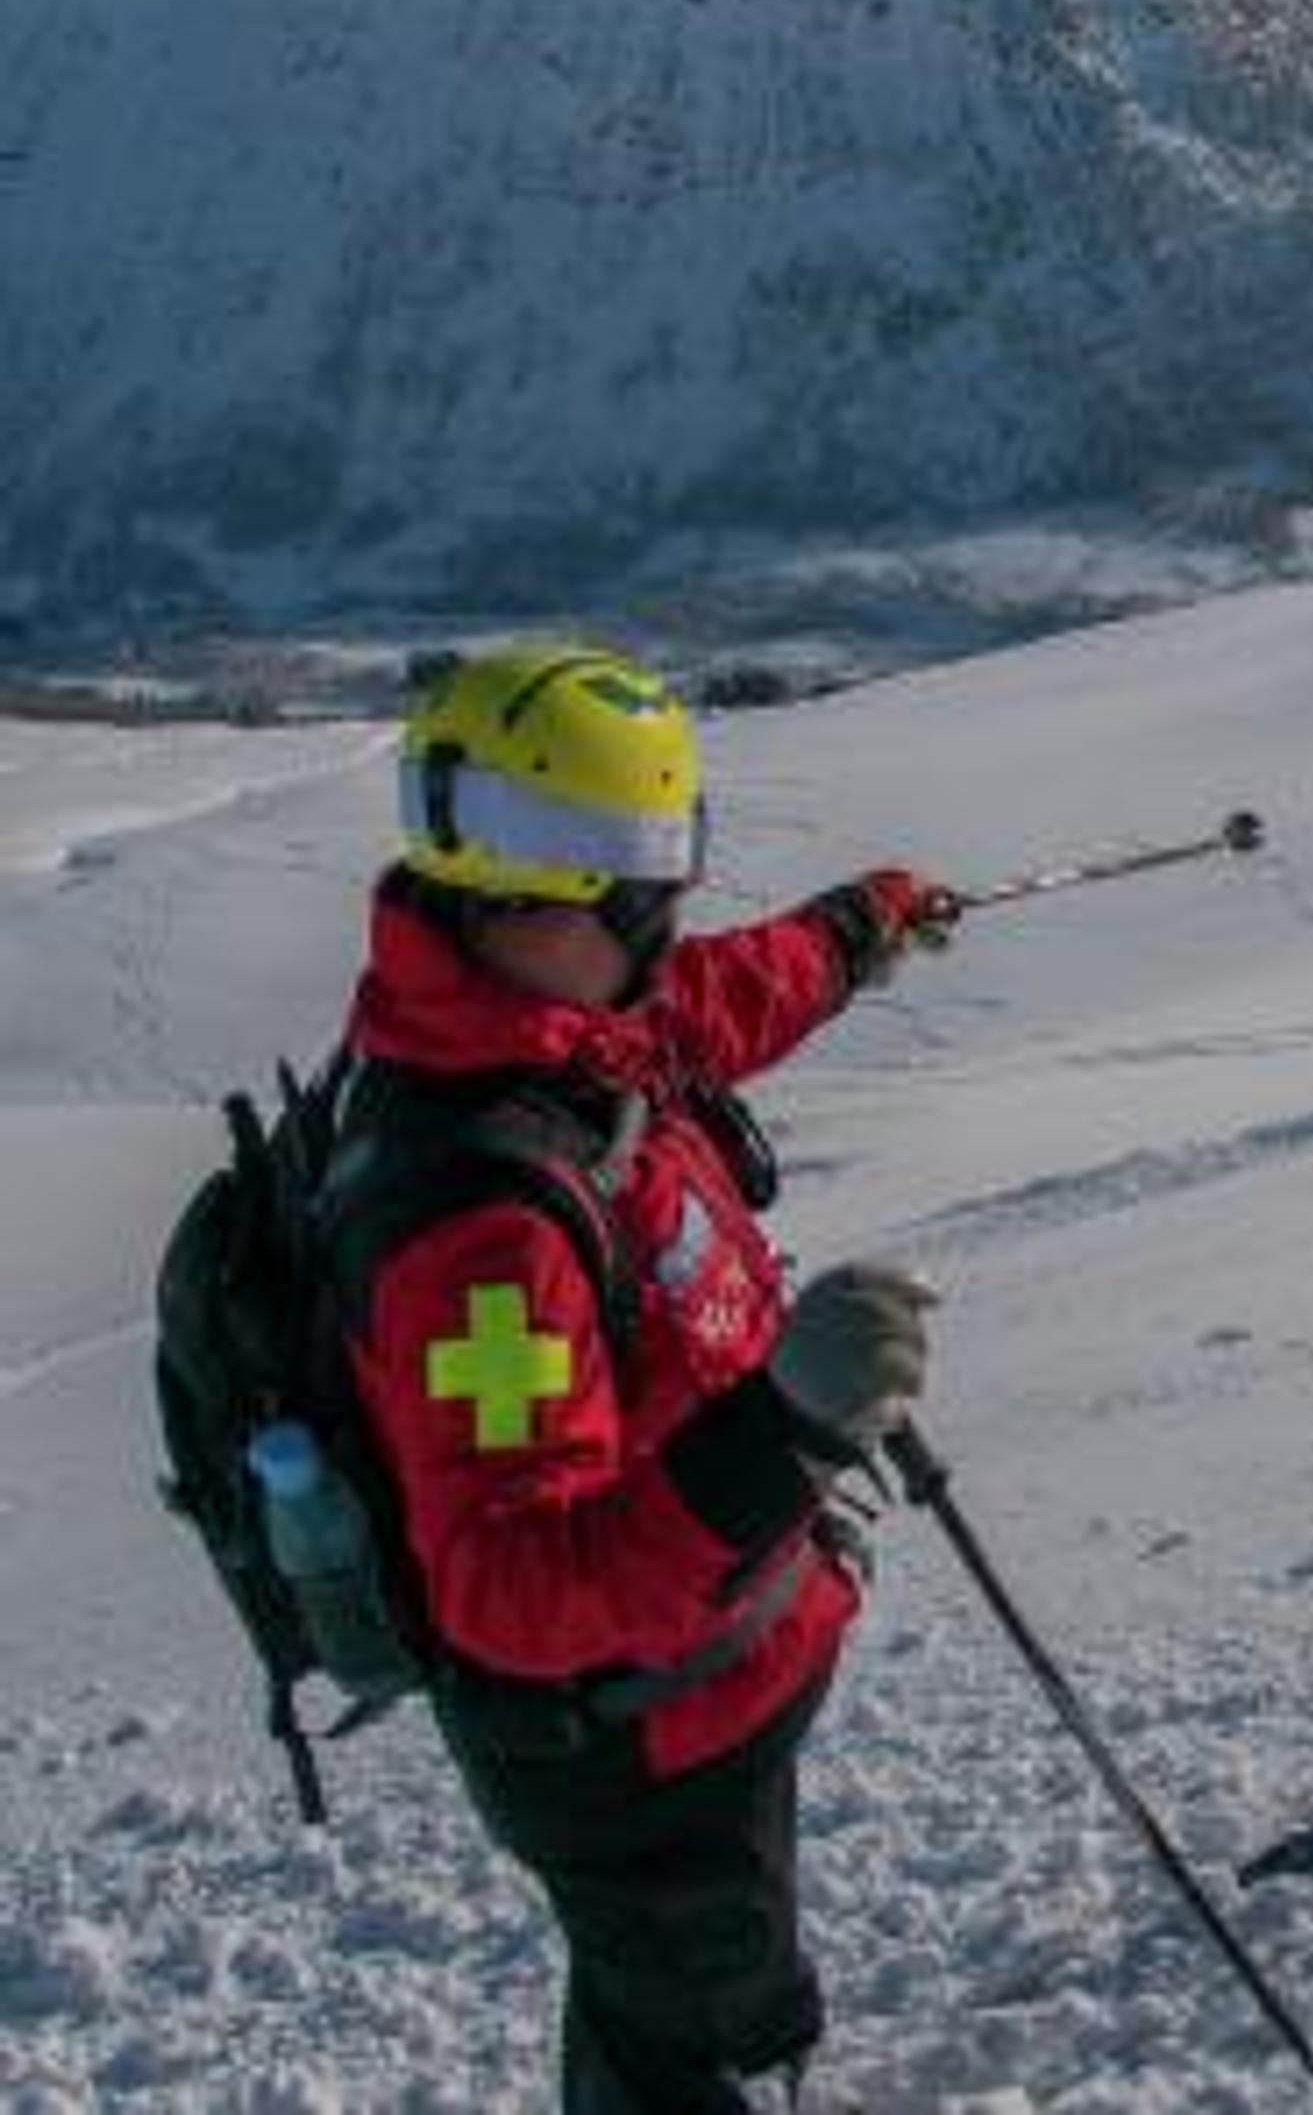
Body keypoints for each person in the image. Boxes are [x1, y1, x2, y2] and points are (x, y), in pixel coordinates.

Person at [334, 641, 953, 2109]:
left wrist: (853, 933)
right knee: (702, 2045)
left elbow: (708, 1010)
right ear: (542, 891)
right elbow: (516, 1584)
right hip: (639, 1755)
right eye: (646, 876)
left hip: (698, 1684)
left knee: (660, 2028)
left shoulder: (547, 1030)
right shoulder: (482, 1227)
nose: (669, 918)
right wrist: (784, 1432)